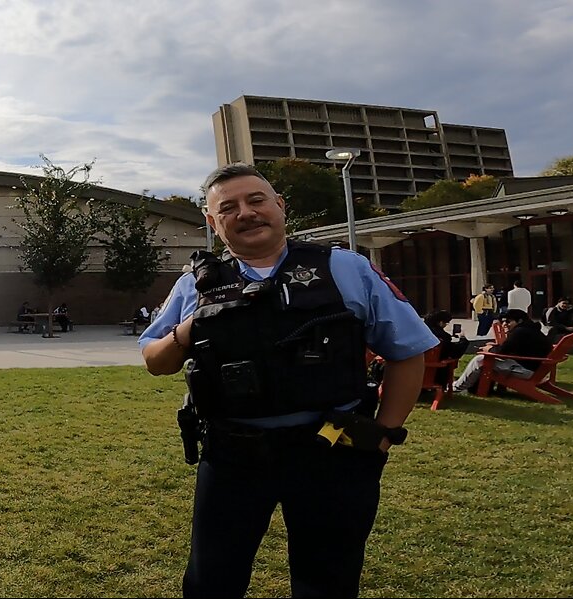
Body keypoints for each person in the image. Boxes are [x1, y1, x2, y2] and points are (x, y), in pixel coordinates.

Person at [139, 163, 435, 598]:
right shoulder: (196, 285)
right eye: (229, 207)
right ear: (213, 222)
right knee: (212, 579)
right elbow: (155, 361)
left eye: (256, 200)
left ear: (280, 206)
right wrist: (190, 328)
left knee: (327, 580)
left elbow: (407, 350)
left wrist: (384, 434)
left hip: (332, 449)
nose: (246, 213)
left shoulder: (346, 268)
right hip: (232, 456)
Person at [453, 309, 551, 393]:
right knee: (486, 360)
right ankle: (468, 386)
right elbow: (508, 349)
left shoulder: (519, 332)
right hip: (534, 368)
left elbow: (502, 352)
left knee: (480, 360)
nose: (504, 324)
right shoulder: (531, 330)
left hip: (526, 370)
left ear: (520, 321)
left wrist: (490, 349)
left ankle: (456, 387)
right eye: (502, 321)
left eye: (508, 321)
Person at [422, 310, 469, 387]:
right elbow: (455, 352)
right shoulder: (443, 337)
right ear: (440, 323)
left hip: (415, 371)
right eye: (446, 323)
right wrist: (463, 339)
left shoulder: (419, 333)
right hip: (435, 374)